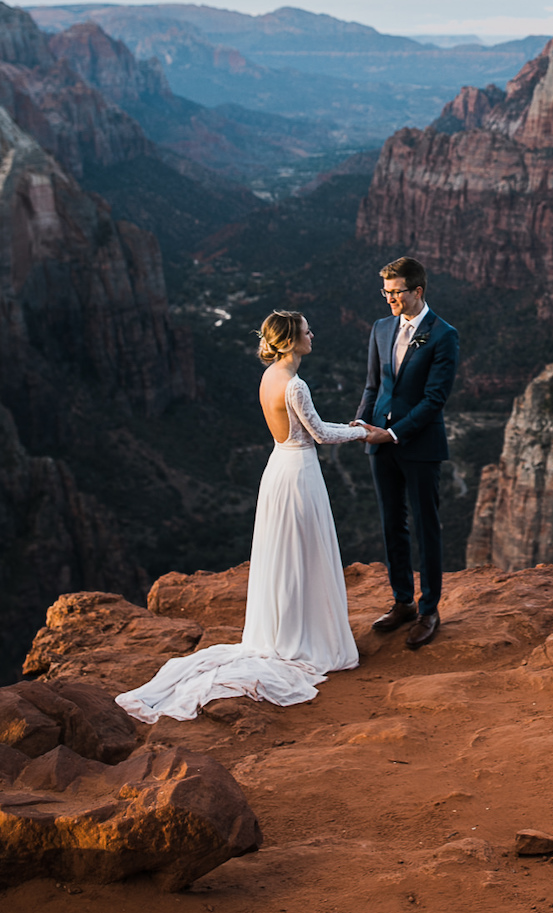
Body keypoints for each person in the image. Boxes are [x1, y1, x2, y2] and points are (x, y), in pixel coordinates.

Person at [117, 312, 378, 721]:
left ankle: (285, 630)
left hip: (278, 468)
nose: (313, 335)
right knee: (305, 554)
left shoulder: (270, 375)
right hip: (300, 473)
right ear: (291, 341)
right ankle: (307, 639)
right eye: (308, 331)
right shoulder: (295, 384)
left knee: (286, 556)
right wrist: (364, 431)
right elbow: (321, 434)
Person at [356, 256, 460, 651]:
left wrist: (393, 433)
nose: (390, 300)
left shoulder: (443, 335)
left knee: (425, 525)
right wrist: (361, 424)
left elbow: (435, 400)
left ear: (418, 291)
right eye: (386, 292)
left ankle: (429, 608)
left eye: (397, 292)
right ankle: (402, 601)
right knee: (391, 523)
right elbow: (373, 386)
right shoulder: (381, 328)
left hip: (419, 445)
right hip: (378, 443)